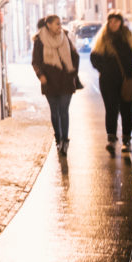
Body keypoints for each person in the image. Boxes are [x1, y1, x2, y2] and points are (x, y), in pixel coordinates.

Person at [89, 12, 132, 152]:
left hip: (125, 80)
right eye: (111, 21)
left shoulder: (128, 37)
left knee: (126, 110)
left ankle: (126, 140)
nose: (114, 24)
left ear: (121, 23)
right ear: (108, 23)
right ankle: (111, 139)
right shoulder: (102, 39)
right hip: (107, 81)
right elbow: (94, 57)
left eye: (117, 21)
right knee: (111, 110)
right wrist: (102, 69)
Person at [31, 15, 81, 156]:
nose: (60, 26)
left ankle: (65, 140)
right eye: (57, 24)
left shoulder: (65, 36)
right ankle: (58, 137)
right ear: (48, 25)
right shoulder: (39, 40)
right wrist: (41, 75)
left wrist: (73, 73)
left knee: (64, 111)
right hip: (49, 81)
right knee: (55, 112)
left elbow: (75, 55)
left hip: (65, 79)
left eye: (60, 24)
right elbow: (35, 61)